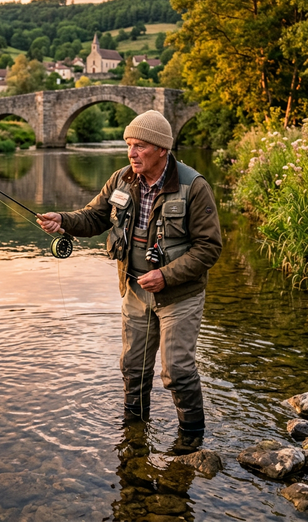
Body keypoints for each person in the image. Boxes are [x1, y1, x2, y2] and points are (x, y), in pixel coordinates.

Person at [37, 110, 222, 445]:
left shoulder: (193, 187)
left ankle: (192, 440)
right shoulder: (122, 178)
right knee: (133, 368)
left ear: (162, 149)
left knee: (177, 371)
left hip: (179, 295)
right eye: (129, 145)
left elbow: (209, 248)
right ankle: (134, 433)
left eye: (140, 146)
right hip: (134, 290)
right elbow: (93, 217)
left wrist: (166, 276)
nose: (132, 153)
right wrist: (61, 220)